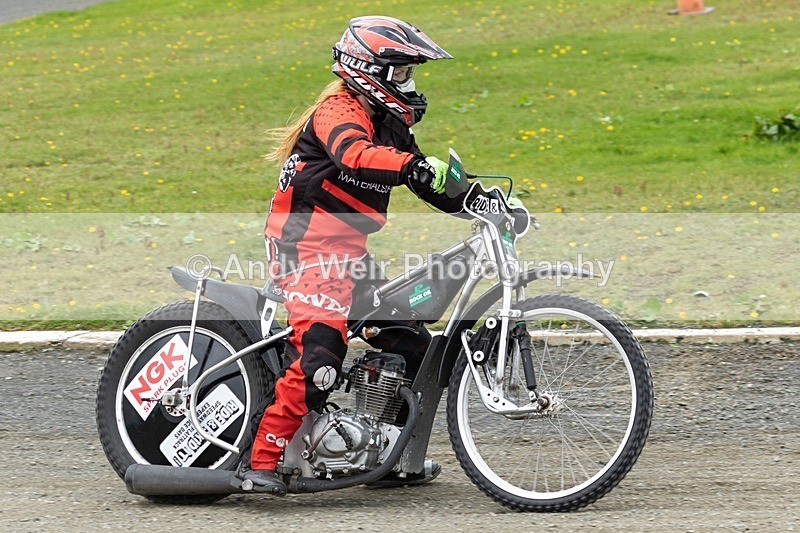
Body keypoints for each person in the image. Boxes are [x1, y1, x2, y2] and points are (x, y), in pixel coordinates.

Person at [238, 16, 467, 496]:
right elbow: (353, 155)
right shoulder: (336, 110)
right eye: (402, 72)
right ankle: (262, 459)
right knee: (322, 350)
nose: (410, 82)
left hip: (347, 252)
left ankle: (392, 458)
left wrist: (481, 201)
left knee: (412, 346)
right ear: (371, 71)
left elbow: (429, 185)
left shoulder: (393, 126)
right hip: (304, 247)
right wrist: (413, 166)